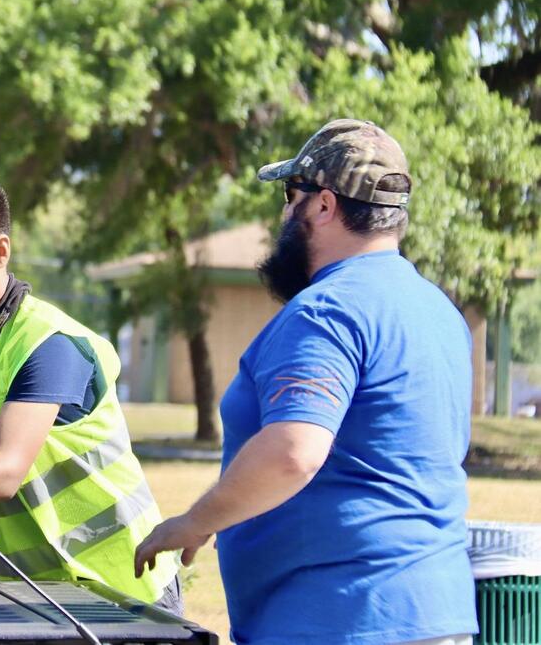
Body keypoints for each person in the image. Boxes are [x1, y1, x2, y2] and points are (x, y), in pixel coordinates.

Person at [134, 119, 477, 644]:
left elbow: (294, 451)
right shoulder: (439, 311)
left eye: (290, 196)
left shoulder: (326, 310)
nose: (284, 214)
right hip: (436, 613)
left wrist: (196, 521)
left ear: (323, 205)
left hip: (340, 617)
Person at [0, 173, 182, 613]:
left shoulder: (48, 343)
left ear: (0, 252)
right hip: (23, 598)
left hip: (120, 588)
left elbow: (5, 471)